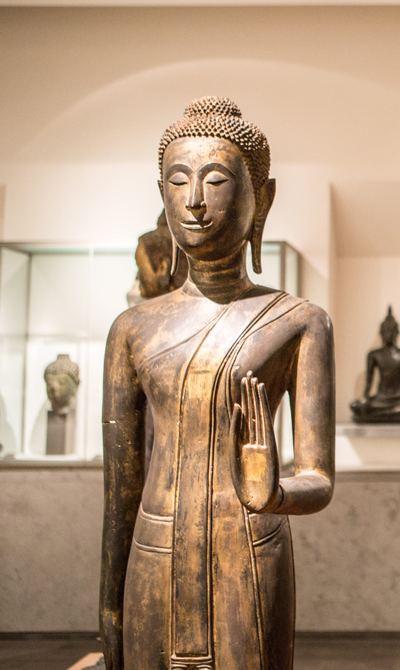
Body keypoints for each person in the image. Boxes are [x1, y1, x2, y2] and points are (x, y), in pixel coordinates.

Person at [100, 97, 335, 670]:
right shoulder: (133, 329)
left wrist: (275, 494)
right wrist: (109, 607)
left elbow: (320, 477)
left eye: (216, 180)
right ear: (162, 194)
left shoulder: (298, 321)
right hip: (154, 553)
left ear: (262, 198)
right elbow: (120, 493)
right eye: (178, 181)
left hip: (248, 551)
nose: (195, 201)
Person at [349, 306, 400, 424]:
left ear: (397, 333)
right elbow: (369, 381)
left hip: (399, 399)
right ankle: (390, 413)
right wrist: (365, 399)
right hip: (380, 398)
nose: (389, 334)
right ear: (381, 333)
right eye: (386, 331)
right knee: (355, 406)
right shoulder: (374, 354)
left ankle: (385, 414)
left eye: (392, 331)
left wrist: (399, 394)